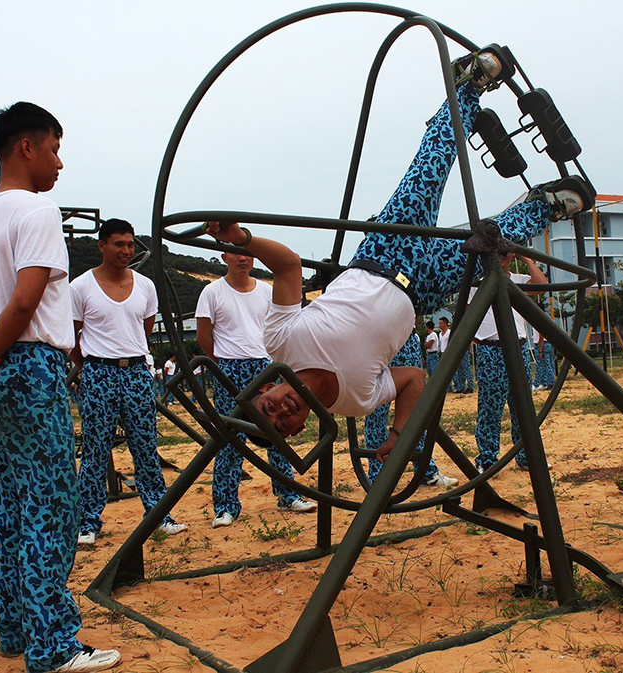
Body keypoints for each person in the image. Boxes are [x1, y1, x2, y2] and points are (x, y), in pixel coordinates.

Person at [206, 48, 582, 460]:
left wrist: (242, 239)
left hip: (384, 253)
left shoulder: (280, 343)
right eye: (283, 425)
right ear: (298, 431)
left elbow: (288, 266)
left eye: (268, 407)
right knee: (495, 245)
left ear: (265, 388)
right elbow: (414, 378)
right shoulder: (353, 401)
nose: (282, 412)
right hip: (422, 291)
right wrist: (397, 433)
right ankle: (544, 205)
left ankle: (467, 88)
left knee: (430, 169)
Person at [0, 102, 120, 672]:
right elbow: (25, 300)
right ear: (26, 146)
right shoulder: (36, 211)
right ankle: (55, 646)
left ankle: (16, 628)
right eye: (54, 147)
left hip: (0, 371)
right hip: (29, 368)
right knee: (50, 504)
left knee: (10, 503)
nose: (59, 162)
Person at [70, 218, 187, 547]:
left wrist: (130, 360)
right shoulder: (80, 287)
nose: (126, 250)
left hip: (136, 372)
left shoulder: (145, 287)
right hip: (98, 373)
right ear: (102, 246)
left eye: (130, 244)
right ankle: (88, 522)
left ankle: (159, 515)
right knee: (95, 451)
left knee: (146, 447)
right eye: (119, 244)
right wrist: (90, 367)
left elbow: (143, 330)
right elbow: (72, 336)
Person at [195, 251, 315, 526]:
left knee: (276, 432)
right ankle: (225, 506)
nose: (243, 259)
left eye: (248, 254)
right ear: (224, 256)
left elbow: (278, 327)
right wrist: (223, 364)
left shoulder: (265, 290)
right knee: (229, 435)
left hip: (265, 366)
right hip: (229, 366)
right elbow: (204, 337)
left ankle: (288, 494)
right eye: (236, 254)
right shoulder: (212, 292)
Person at [470, 253, 546, 471]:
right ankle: (487, 459)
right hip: (491, 349)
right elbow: (468, 312)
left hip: (519, 348)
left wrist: (527, 259)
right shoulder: (479, 282)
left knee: (522, 406)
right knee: (490, 408)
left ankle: (526, 457)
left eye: (505, 252)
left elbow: (541, 286)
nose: (501, 256)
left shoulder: (519, 280)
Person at [363, 330, 458, 487]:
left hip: (407, 338)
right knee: (376, 411)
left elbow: (426, 306)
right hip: (380, 337)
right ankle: (378, 475)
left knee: (417, 411)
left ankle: (425, 470)